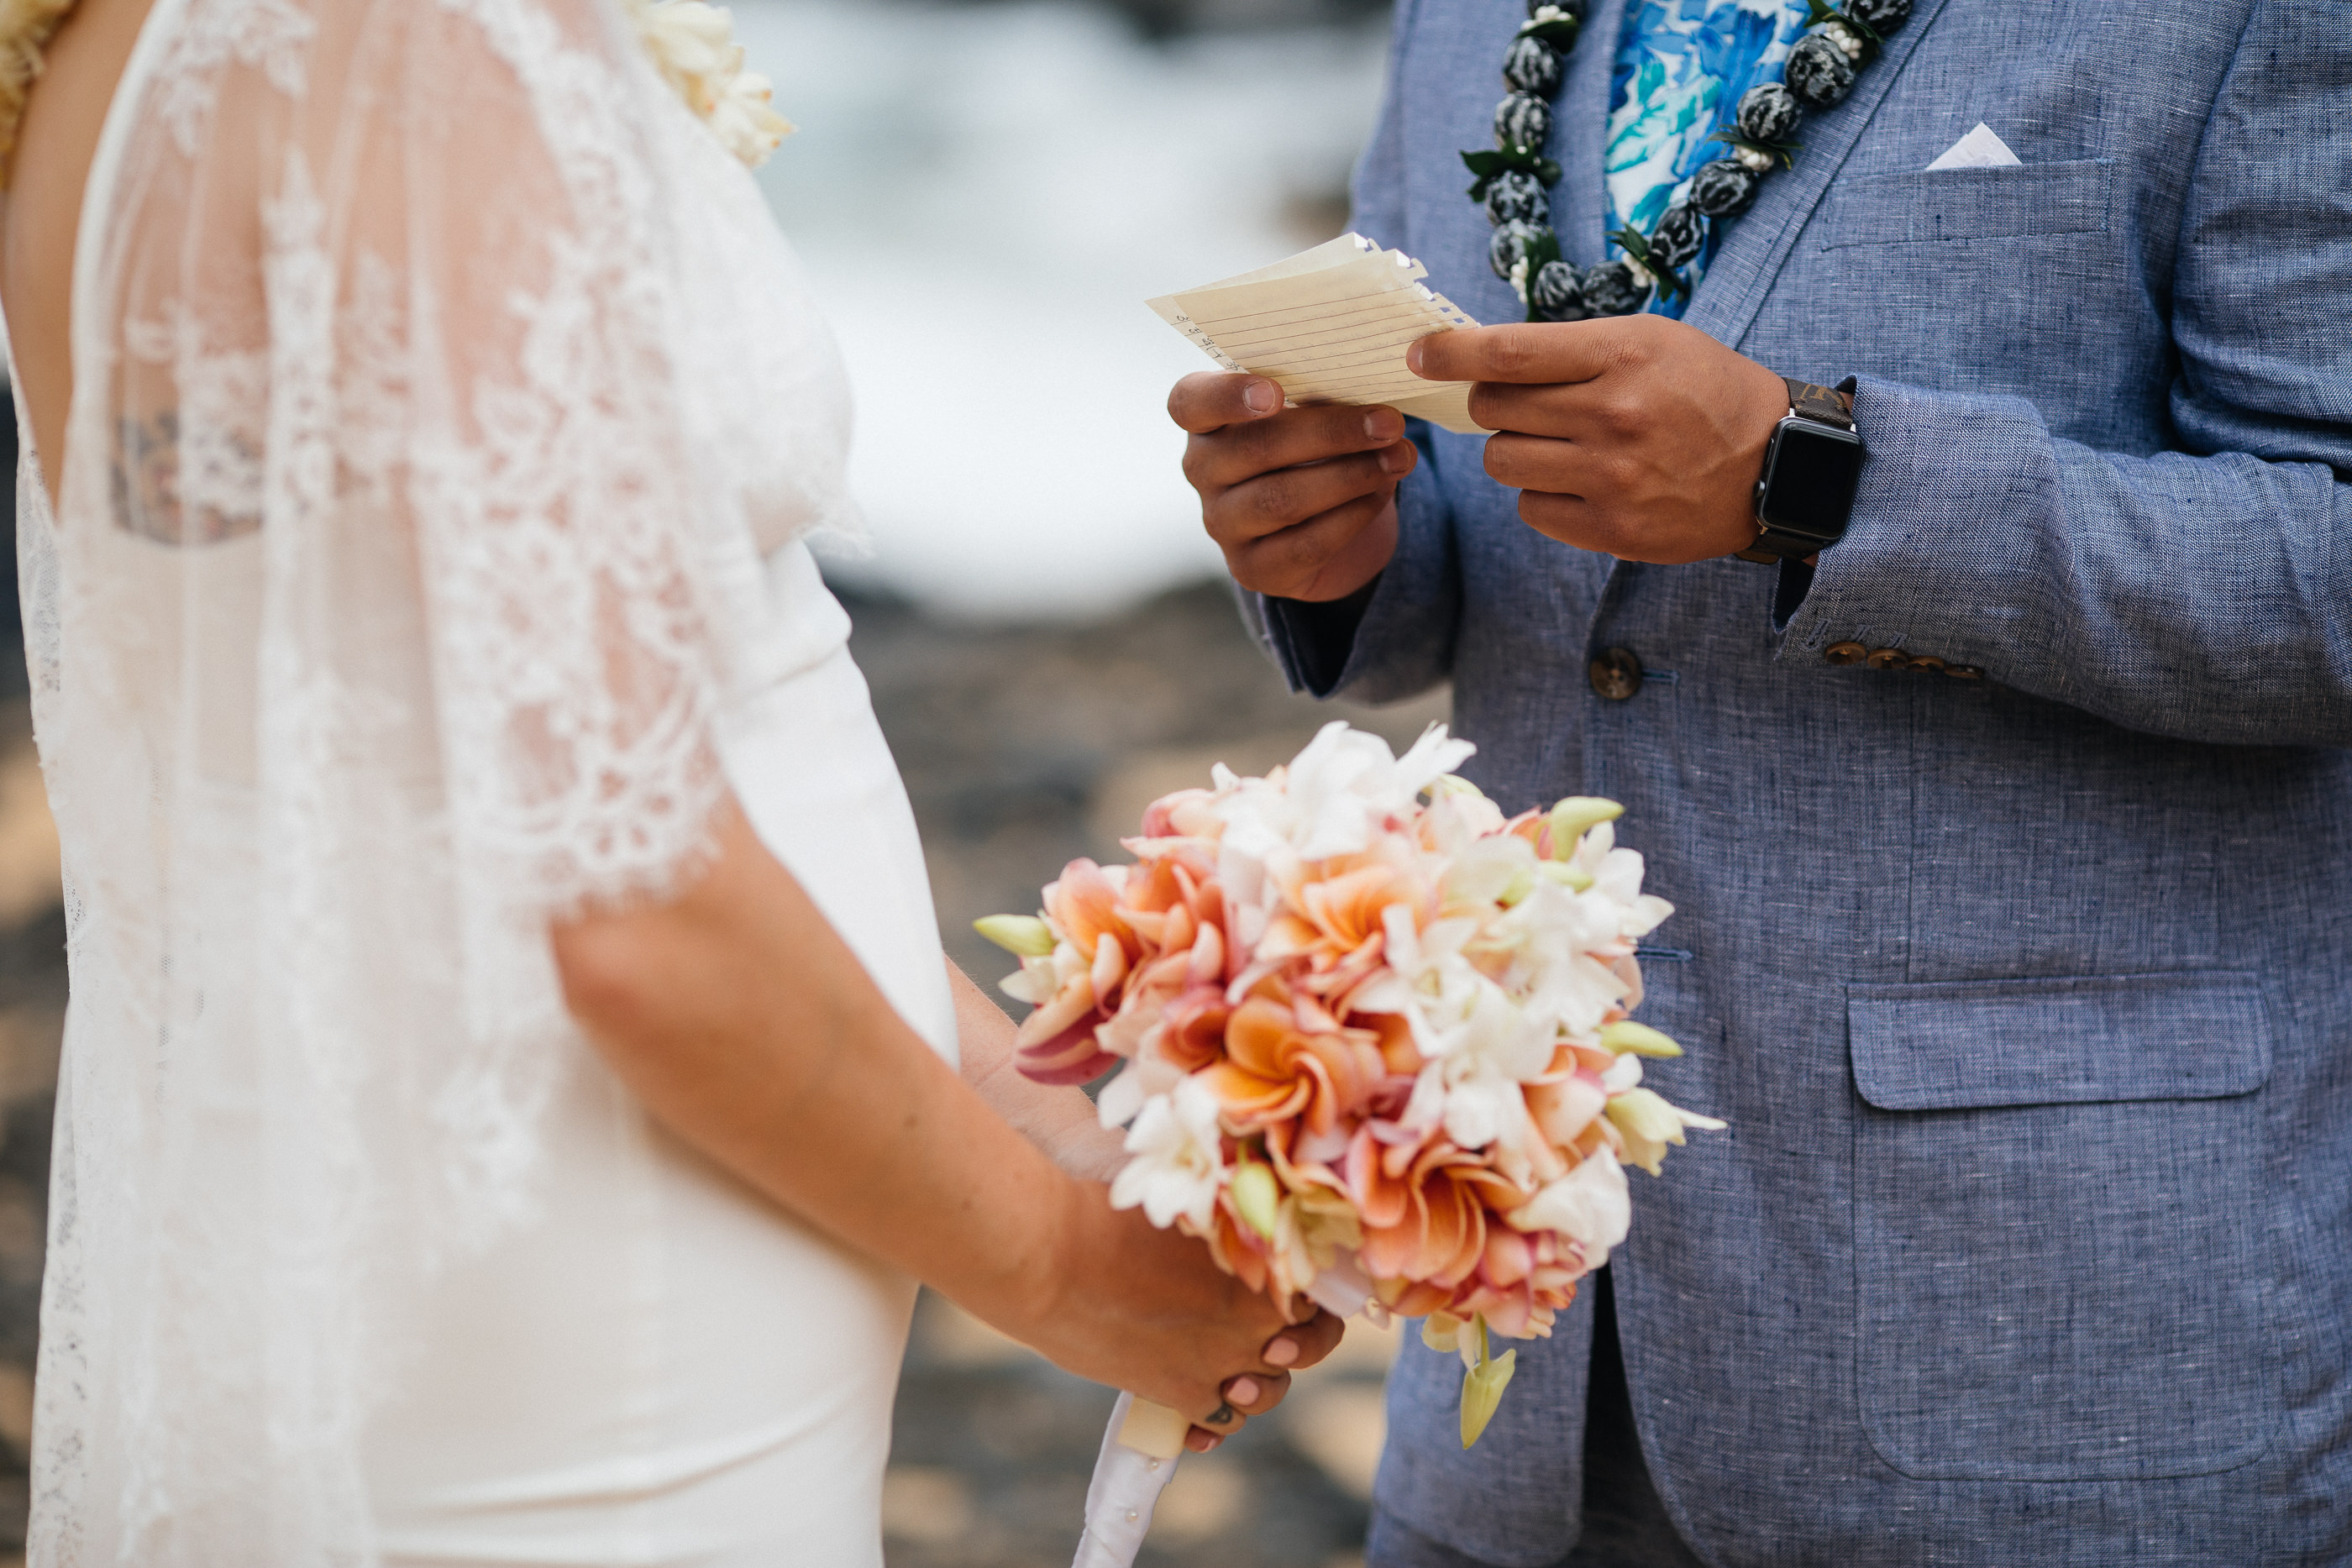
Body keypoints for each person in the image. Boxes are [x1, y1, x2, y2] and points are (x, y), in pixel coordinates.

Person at [0, 0, 1341, 1562]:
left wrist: (1070, 1151)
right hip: (612, 1270)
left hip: (413, 1201)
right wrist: (1058, 1265)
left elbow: (481, 759)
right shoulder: (423, 33)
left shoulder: (120, 55)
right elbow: (627, 900)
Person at [1171, 0, 2351, 1563]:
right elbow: (1475, 588)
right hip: (1513, 1332)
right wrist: (1330, 549)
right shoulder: (1463, 17)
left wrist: (1819, 480)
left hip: (2044, 1346)